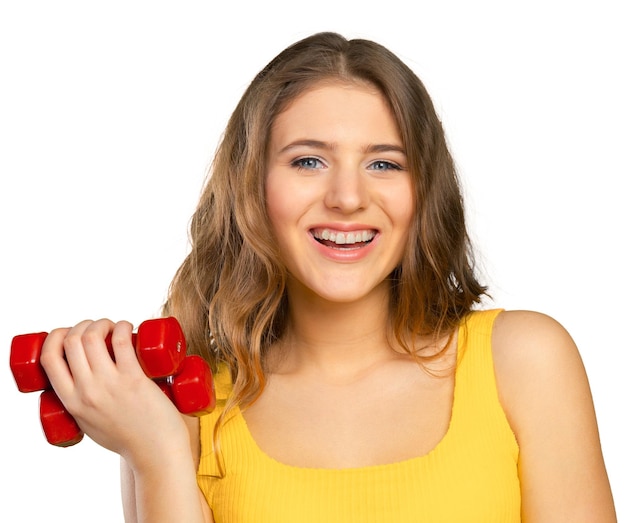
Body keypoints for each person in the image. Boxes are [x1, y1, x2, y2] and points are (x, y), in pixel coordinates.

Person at [39, 32, 616, 522]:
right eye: (308, 160)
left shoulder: (524, 361)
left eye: (384, 163)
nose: (346, 198)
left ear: (423, 192)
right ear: (253, 187)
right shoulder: (186, 407)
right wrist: (157, 455)